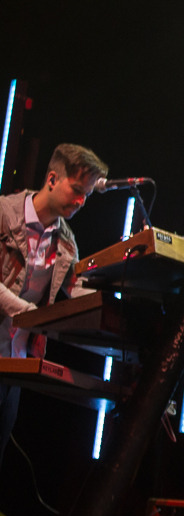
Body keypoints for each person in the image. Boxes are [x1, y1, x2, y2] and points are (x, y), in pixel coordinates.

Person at [0, 143, 108, 469]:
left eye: (86, 194)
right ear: (51, 179)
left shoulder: (66, 241)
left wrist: (118, 294)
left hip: (13, 366)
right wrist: (31, 315)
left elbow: (77, 293)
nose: (80, 201)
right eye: (76, 189)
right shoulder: (4, 214)